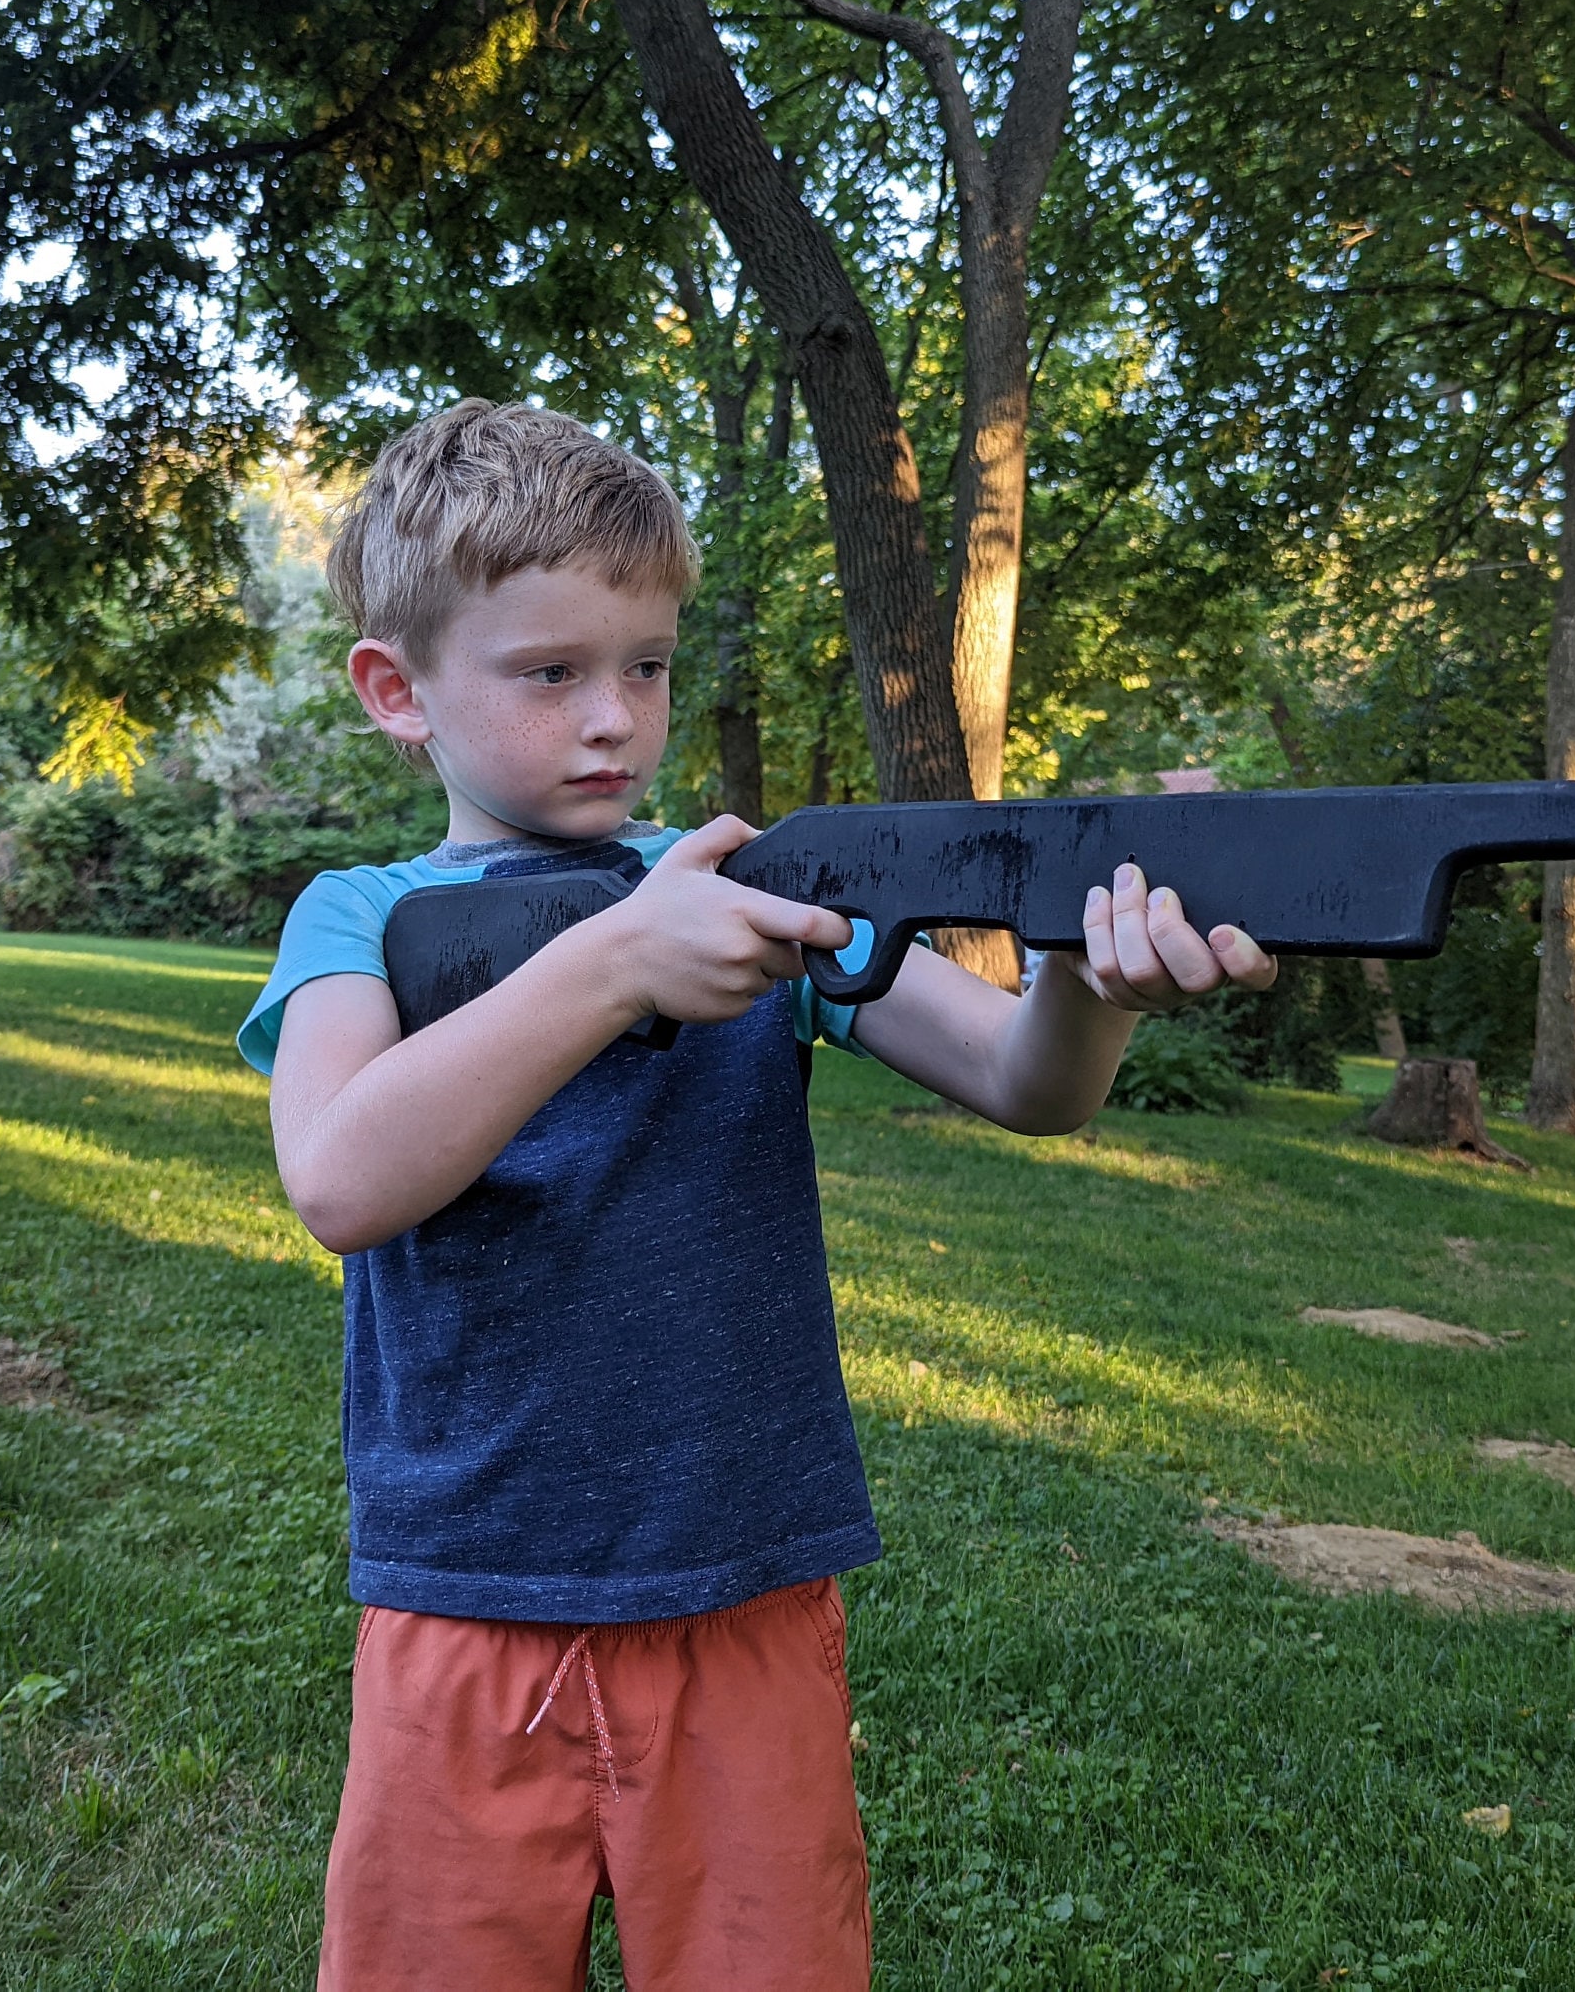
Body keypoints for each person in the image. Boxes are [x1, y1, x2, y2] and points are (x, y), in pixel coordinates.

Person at [240, 400, 1276, 1991]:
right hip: (468, 1598)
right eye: (550, 673)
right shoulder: (361, 917)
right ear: (399, 692)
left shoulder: (762, 897)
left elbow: (1030, 1083)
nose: (615, 720)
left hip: (749, 1590)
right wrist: (610, 965)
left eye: (645, 666)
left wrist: (1092, 972)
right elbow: (340, 1178)